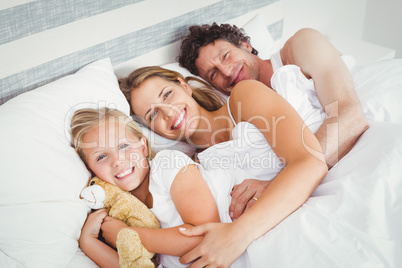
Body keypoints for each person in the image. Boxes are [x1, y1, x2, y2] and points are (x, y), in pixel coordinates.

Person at [118, 66, 328, 267]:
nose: (168, 113)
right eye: (152, 115)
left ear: (184, 86)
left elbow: (310, 162)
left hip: (310, 221)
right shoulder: (189, 173)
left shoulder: (243, 97)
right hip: (271, 248)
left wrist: (237, 235)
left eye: (167, 95)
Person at [72, 107, 263, 267]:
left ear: (143, 148)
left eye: (123, 146)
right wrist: (88, 242)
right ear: (91, 171)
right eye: (101, 157)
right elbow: (134, 264)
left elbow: (206, 235)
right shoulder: (121, 212)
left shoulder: (167, 164)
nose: (118, 161)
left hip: (251, 237)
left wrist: (126, 235)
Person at [177, 24, 369, 168]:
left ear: (245, 45)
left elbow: (350, 114)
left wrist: (286, 180)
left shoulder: (301, 46)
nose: (226, 72)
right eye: (213, 74)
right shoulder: (245, 117)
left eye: (225, 56)